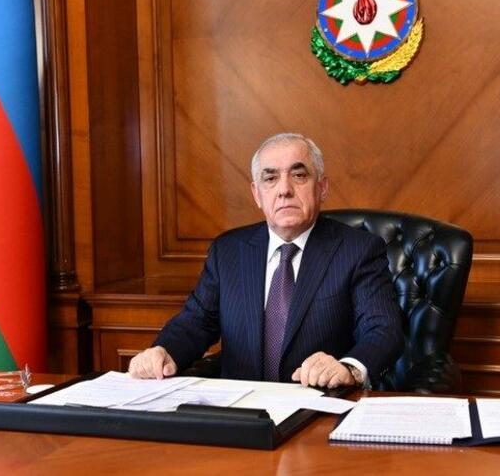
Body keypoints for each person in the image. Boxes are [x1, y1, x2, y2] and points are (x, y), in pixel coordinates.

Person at [128, 133, 403, 388]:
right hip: (241, 412)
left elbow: (383, 330)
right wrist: (164, 351)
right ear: (257, 194)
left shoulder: (358, 250)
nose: (284, 190)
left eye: (299, 175)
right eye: (270, 178)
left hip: (318, 406)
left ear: (322, 188)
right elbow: (196, 322)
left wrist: (348, 368)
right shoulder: (228, 251)